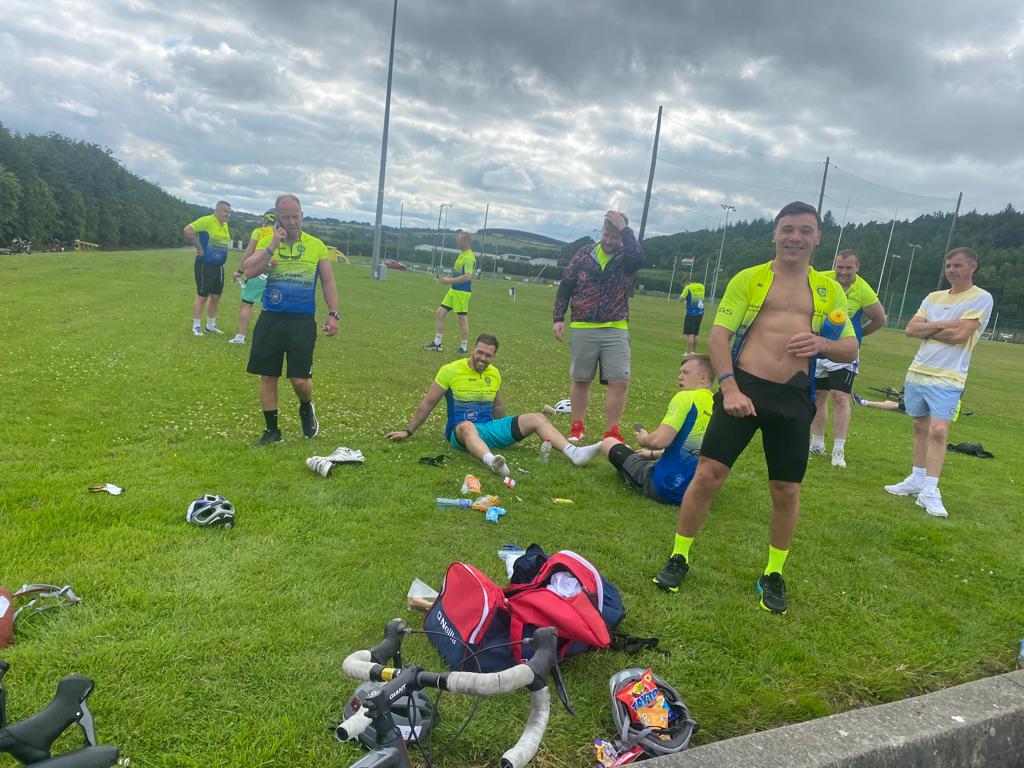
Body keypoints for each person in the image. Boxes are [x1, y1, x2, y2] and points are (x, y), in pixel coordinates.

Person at [652, 201, 858, 615]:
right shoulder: (750, 279)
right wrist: (729, 388)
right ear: (775, 233)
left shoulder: (828, 289)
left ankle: (773, 573)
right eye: (787, 229)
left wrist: (822, 343)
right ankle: (679, 556)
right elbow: (718, 337)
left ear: (818, 238)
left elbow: (850, 346)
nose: (795, 237)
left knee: (786, 490)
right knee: (708, 475)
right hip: (744, 388)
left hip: (793, 397)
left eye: (805, 230)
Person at [387, 334, 603, 475]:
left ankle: (574, 453)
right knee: (467, 426)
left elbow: (498, 407)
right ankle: (492, 461)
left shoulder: (494, 373)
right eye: (480, 352)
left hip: (488, 428)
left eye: (488, 355)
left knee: (537, 418)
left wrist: (504, 430)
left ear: (494, 356)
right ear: (473, 349)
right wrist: (408, 431)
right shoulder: (450, 370)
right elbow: (428, 403)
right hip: (459, 432)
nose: (483, 358)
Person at [884, 248, 993, 518]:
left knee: (939, 431)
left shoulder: (981, 297)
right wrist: (946, 324)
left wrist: (930, 328)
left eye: (958, 265)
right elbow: (910, 329)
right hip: (918, 372)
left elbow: (960, 336)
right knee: (920, 427)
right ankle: (917, 480)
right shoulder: (933, 297)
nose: (951, 270)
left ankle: (930, 490)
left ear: (972, 267)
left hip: (949, 377)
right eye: (948, 266)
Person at [242, 194, 340, 445]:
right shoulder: (268, 241)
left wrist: (333, 313)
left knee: (300, 380)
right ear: (278, 217)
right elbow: (249, 271)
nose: (292, 222)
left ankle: (306, 406)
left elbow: (328, 281)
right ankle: (272, 431)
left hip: (301, 321)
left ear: (302, 215)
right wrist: (272, 245)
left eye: (295, 216)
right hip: (271, 319)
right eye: (286, 217)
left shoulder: (316, 245)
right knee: (268, 376)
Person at [552, 210, 643, 444]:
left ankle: (612, 431)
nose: (609, 240)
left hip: (616, 327)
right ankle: (577, 427)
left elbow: (639, 258)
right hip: (583, 325)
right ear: (600, 232)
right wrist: (558, 317)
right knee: (581, 379)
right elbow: (566, 285)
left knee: (619, 381)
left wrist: (624, 228)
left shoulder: (626, 257)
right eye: (606, 234)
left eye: (615, 236)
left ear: (622, 236)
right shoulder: (584, 254)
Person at [599, 355, 714, 505]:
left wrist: (644, 439)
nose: (680, 377)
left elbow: (659, 441)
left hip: (666, 487)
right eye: (679, 372)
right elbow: (696, 450)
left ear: (703, 377)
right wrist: (652, 454)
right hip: (697, 492)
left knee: (608, 442)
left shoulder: (685, 397)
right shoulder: (718, 406)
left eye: (685, 373)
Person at [809, 249, 887, 467]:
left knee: (840, 397)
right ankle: (817, 444)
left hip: (843, 352)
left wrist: (858, 336)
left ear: (857, 267)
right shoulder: (822, 279)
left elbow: (879, 319)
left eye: (848, 268)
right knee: (818, 396)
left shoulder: (863, 290)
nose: (843, 272)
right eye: (839, 267)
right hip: (819, 347)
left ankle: (838, 452)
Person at [184, 200, 232, 335]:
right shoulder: (206, 221)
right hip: (205, 264)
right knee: (203, 295)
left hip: (219, 265)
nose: (227, 215)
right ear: (217, 210)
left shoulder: (225, 225)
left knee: (216, 296)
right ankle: (196, 326)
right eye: (225, 211)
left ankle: (211, 325)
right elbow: (188, 230)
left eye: (229, 212)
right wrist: (198, 248)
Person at [424, 230, 475, 354]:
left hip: (462, 292)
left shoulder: (469, 257)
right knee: (440, 313)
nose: (458, 241)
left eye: (460, 239)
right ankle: (437, 344)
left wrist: (450, 280)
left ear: (466, 241)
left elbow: (468, 277)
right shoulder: (462, 255)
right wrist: (449, 278)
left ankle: (463, 348)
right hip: (453, 290)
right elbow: (459, 273)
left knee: (462, 319)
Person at [229, 210, 276, 344]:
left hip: (258, 271)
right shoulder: (281, 234)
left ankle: (241, 336)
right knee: (272, 306)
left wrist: (240, 270)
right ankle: (271, 338)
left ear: (265, 220)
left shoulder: (258, 231)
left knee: (247, 303)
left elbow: (250, 250)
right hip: (275, 273)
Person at [679, 279, 706, 355]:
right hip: (700, 312)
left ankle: (688, 352)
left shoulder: (688, 288)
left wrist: (684, 296)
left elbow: (681, 299)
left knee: (690, 333)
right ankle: (693, 351)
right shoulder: (701, 286)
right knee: (695, 333)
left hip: (691, 313)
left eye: (683, 286)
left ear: (685, 283)